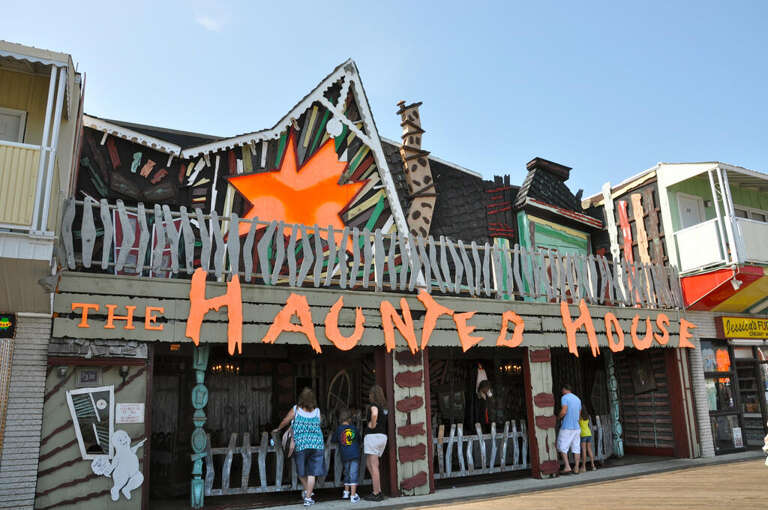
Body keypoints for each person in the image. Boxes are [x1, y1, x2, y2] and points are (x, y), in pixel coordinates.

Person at [273, 388, 325, 506]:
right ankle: (308, 495)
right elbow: (320, 423)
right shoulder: (317, 411)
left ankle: (308, 494)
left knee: (301, 472)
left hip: (301, 444)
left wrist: (279, 428)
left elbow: (286, 420)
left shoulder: (296, 409)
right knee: (312, 473)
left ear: (301, 398)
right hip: (317, 444)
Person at [363, 385, 388, 501]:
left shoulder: (374, 406)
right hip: (382, 437)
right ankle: (378, 489)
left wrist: (372, 425)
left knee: (373, 466)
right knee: (370, 464)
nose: (369, 396)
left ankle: (376, 493)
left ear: (373, 395)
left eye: (370, 394)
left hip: (373, 436)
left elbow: (374, 414)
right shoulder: (384, 408)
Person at [333, 407, 361, 503]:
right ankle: (353, 496)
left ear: (340, 419)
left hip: (344, 455)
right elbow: (359, 439)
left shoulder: (339, 429)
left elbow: (334, 440)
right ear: (350, 419)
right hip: (354, 454)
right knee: (353, 473)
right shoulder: (354, 428)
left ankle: (346, 492)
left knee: (347, 472)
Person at [556, 383, 582, 474]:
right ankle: (576, 467)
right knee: (576, 448)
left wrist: (558, 418)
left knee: (562, 446)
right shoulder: (578, 399)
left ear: (564, 389)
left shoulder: (565, 398)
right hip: (577, 427)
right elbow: (579, 414)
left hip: (567, 427)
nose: (561, 392)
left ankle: (567, 466)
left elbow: (564, 411)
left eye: (562, 390)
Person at [579, 407, 597, 472]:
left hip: (583, 434)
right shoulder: (587, 416)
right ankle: (593, 465)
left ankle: (583, 467)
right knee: (589, 449)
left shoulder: (579, 417)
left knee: (584, 450)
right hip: (589, 433)